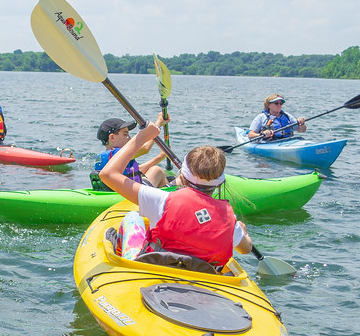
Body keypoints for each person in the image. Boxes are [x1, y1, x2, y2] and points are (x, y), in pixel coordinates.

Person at [99, 114, 252, 268]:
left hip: (154, 269)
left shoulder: (162, 200)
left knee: (133, 217)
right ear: (220, 183)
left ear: (182, 177)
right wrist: (242, 232)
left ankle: (120, 257)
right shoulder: (229, 220)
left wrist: (142, 136)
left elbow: (107, 174)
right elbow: (246, 248)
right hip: (203, 274)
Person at [92, 117, 168, 189]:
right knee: (157, 170)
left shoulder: (104, 157)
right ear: (112, 138)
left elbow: (137, 170)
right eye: (125, 134)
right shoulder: (117, 153)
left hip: (116, 189)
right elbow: (145, 148)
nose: (130, 138)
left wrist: (160, 157)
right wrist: (158, 124)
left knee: (153, 170)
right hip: (127, 192)